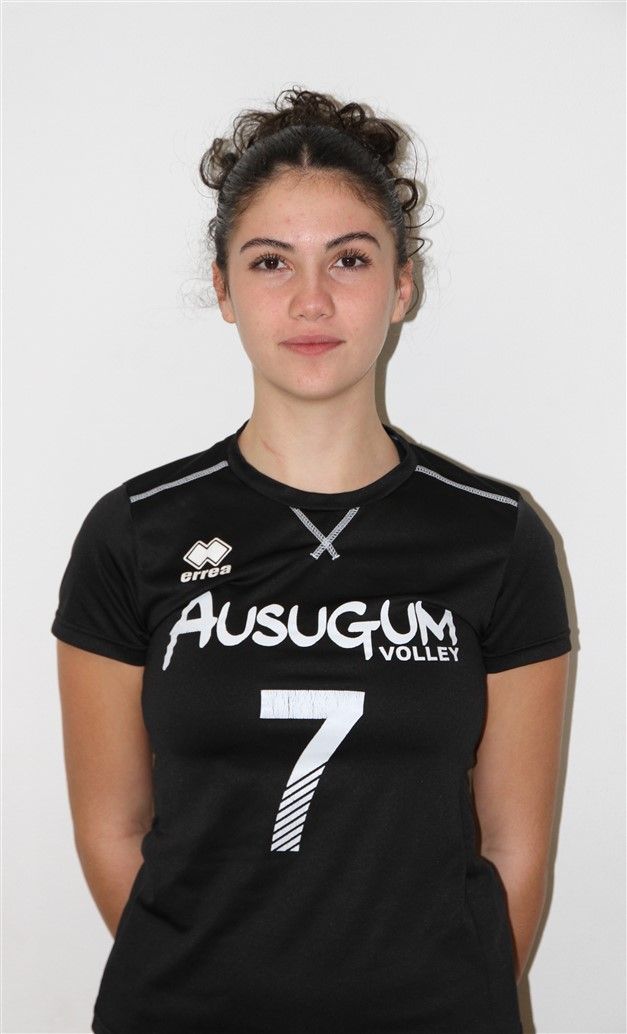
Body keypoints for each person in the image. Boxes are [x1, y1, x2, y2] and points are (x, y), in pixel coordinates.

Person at [52, 87, 572, 1034]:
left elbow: (515, 848)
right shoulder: (135, 533)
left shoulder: (497, 537)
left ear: (401, 285)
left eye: (349, 259)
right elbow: (110, 828)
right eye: (269, 262)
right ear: (223, 290)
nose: (311, 300)